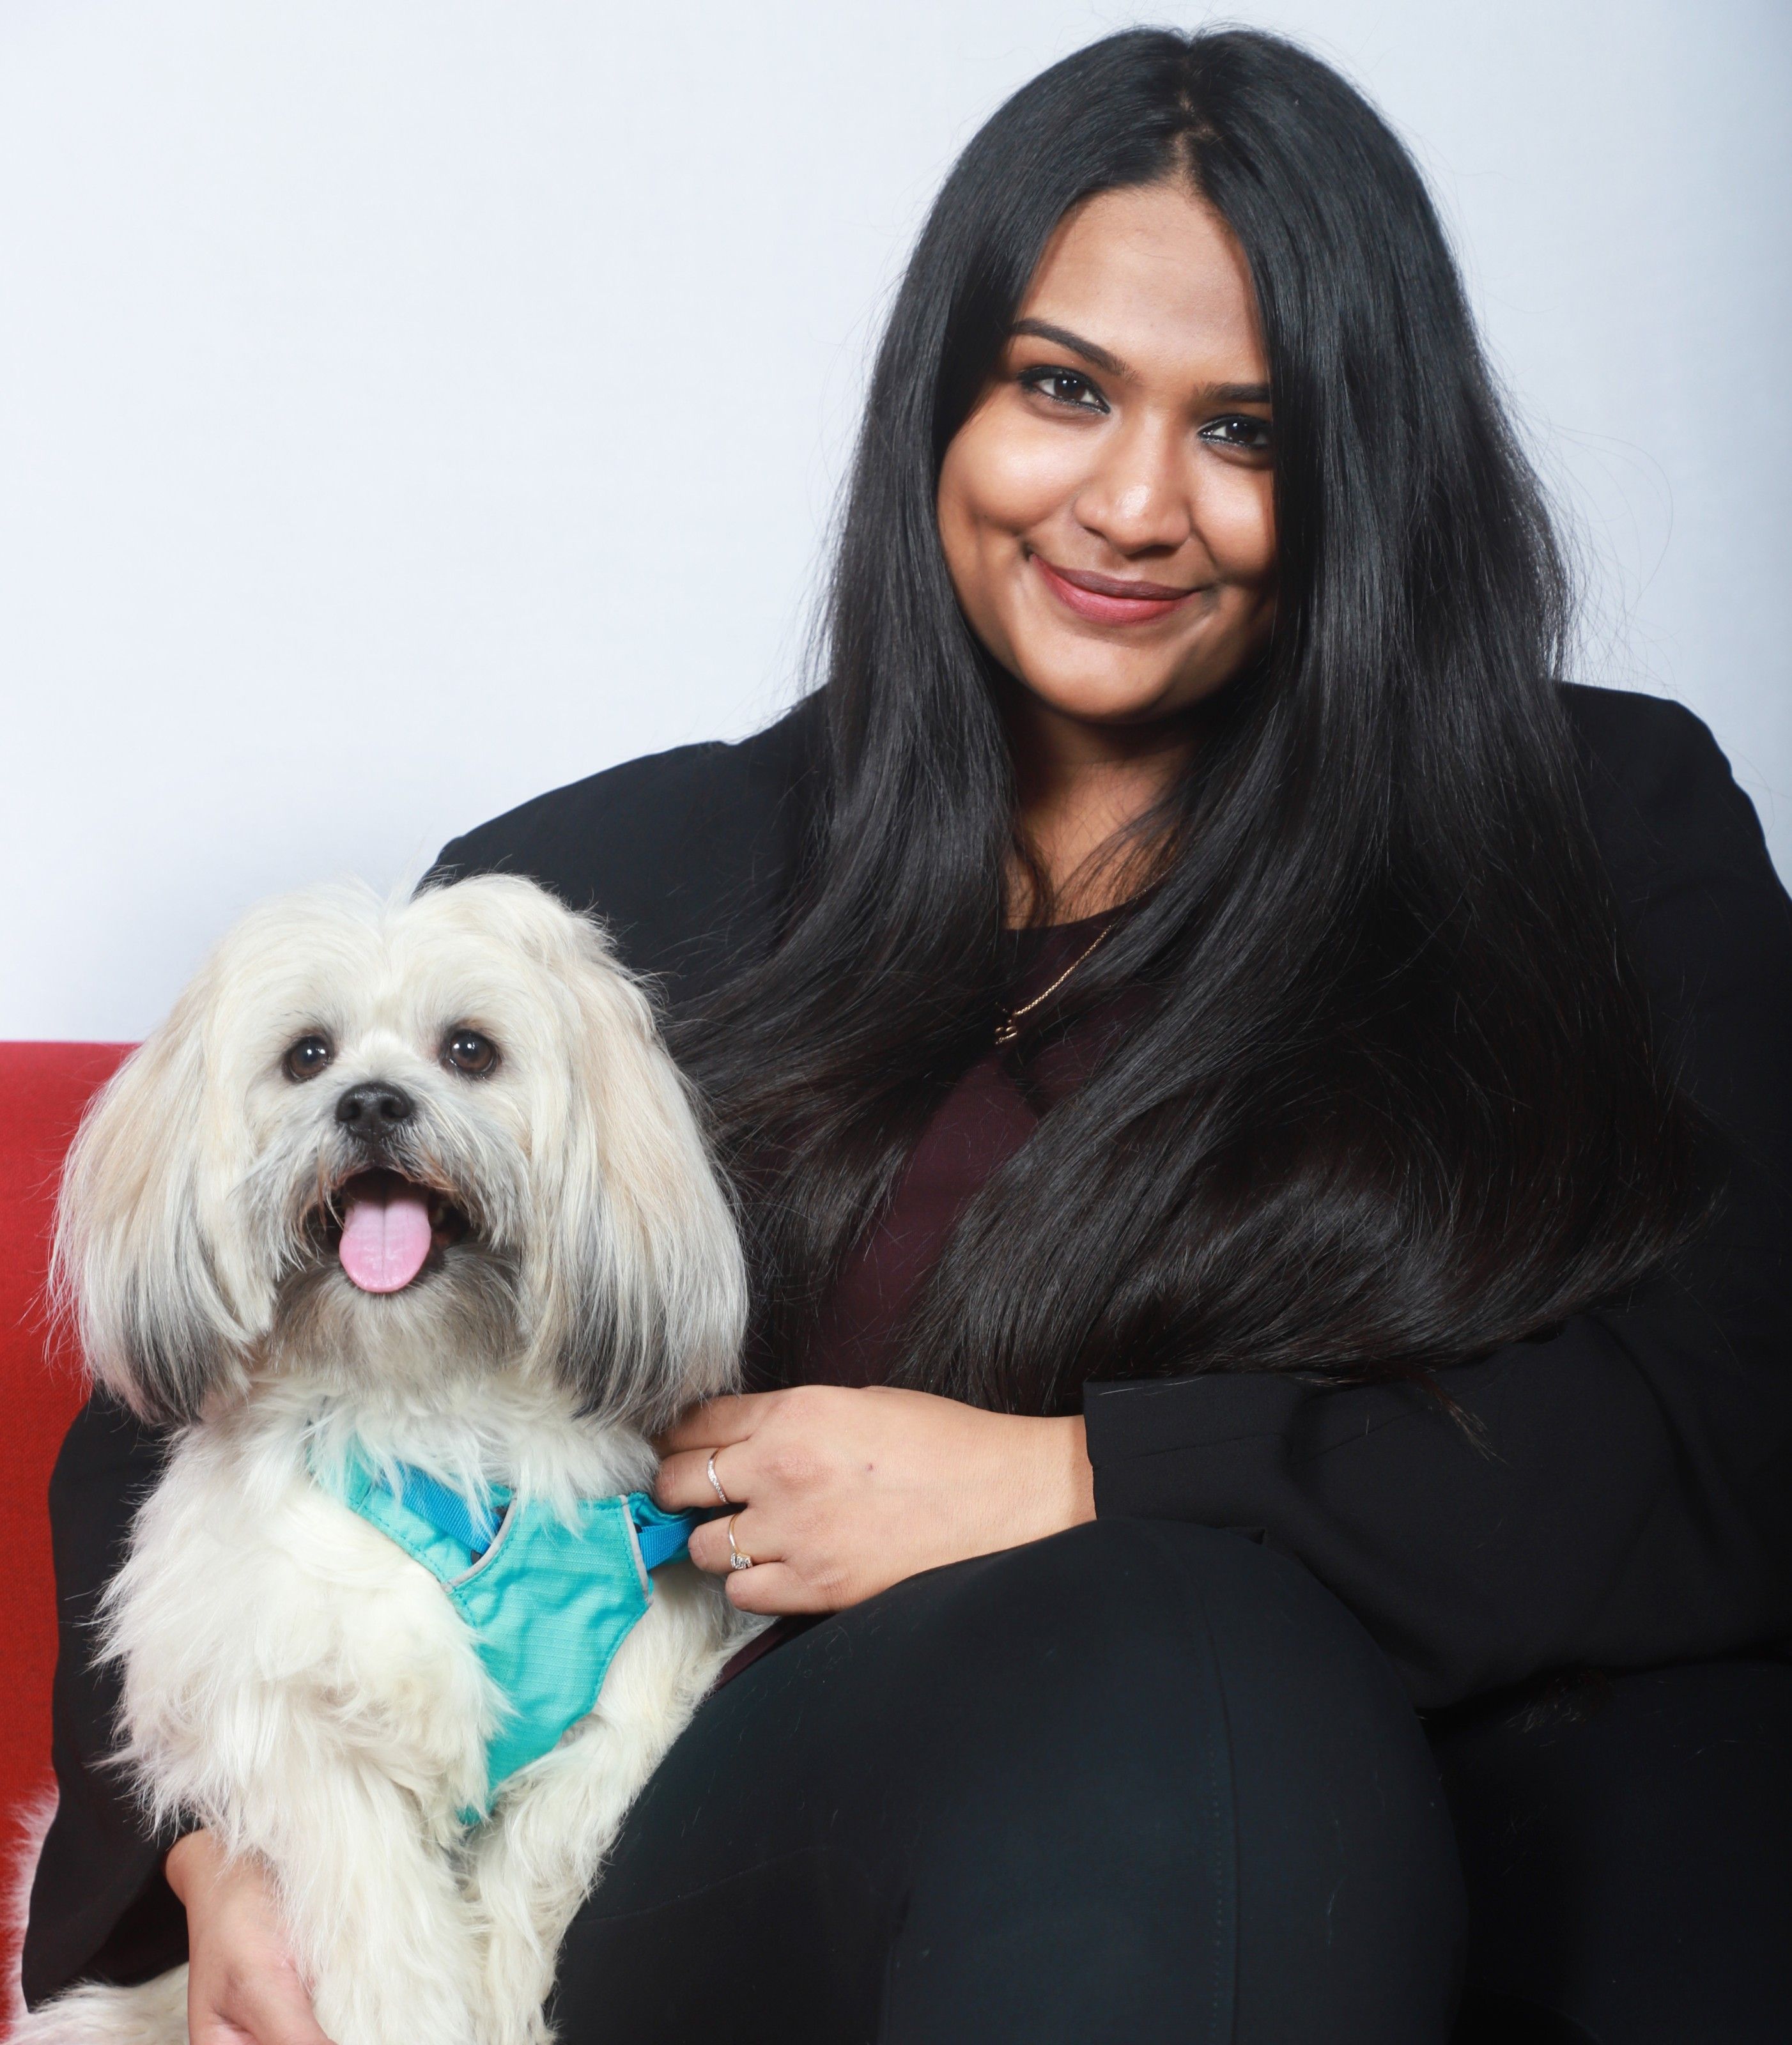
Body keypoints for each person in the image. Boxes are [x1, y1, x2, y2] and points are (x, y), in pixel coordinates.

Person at [24, 26, 1792, 2045]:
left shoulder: (1596, 833)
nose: (1132, 503)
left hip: (1494, 1825)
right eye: (1060, 389)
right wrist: (224, 1849)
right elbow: (187, 1421)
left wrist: (1078, 1482)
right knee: (1167, 1660)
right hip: (749, 1866)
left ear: (1365, 472)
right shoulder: (621, 879)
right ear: (939, 406)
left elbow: (1739, 1421)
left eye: (1247, 430)